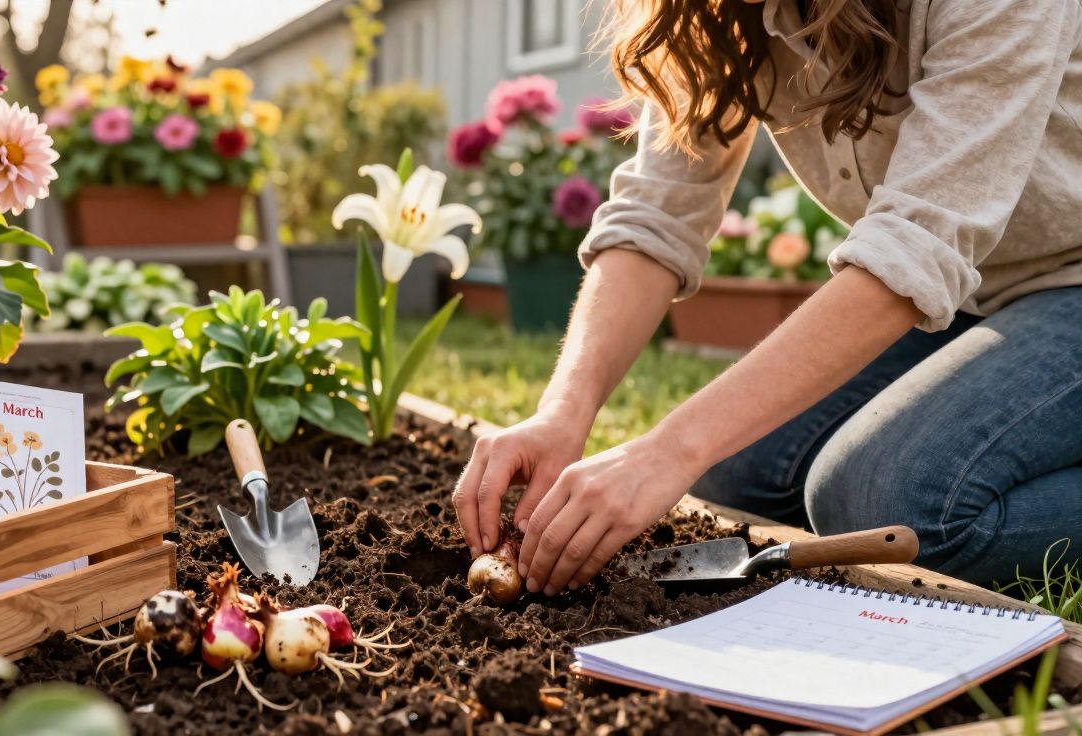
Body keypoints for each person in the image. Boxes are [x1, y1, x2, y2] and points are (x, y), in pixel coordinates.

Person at [453, 0, 1082, 592]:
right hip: (973, 294)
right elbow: (656, 213)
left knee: (883, 499)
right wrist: (562, 413)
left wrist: (668, 449)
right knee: (735, 474)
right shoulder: (717, 15)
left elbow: (917, 245)